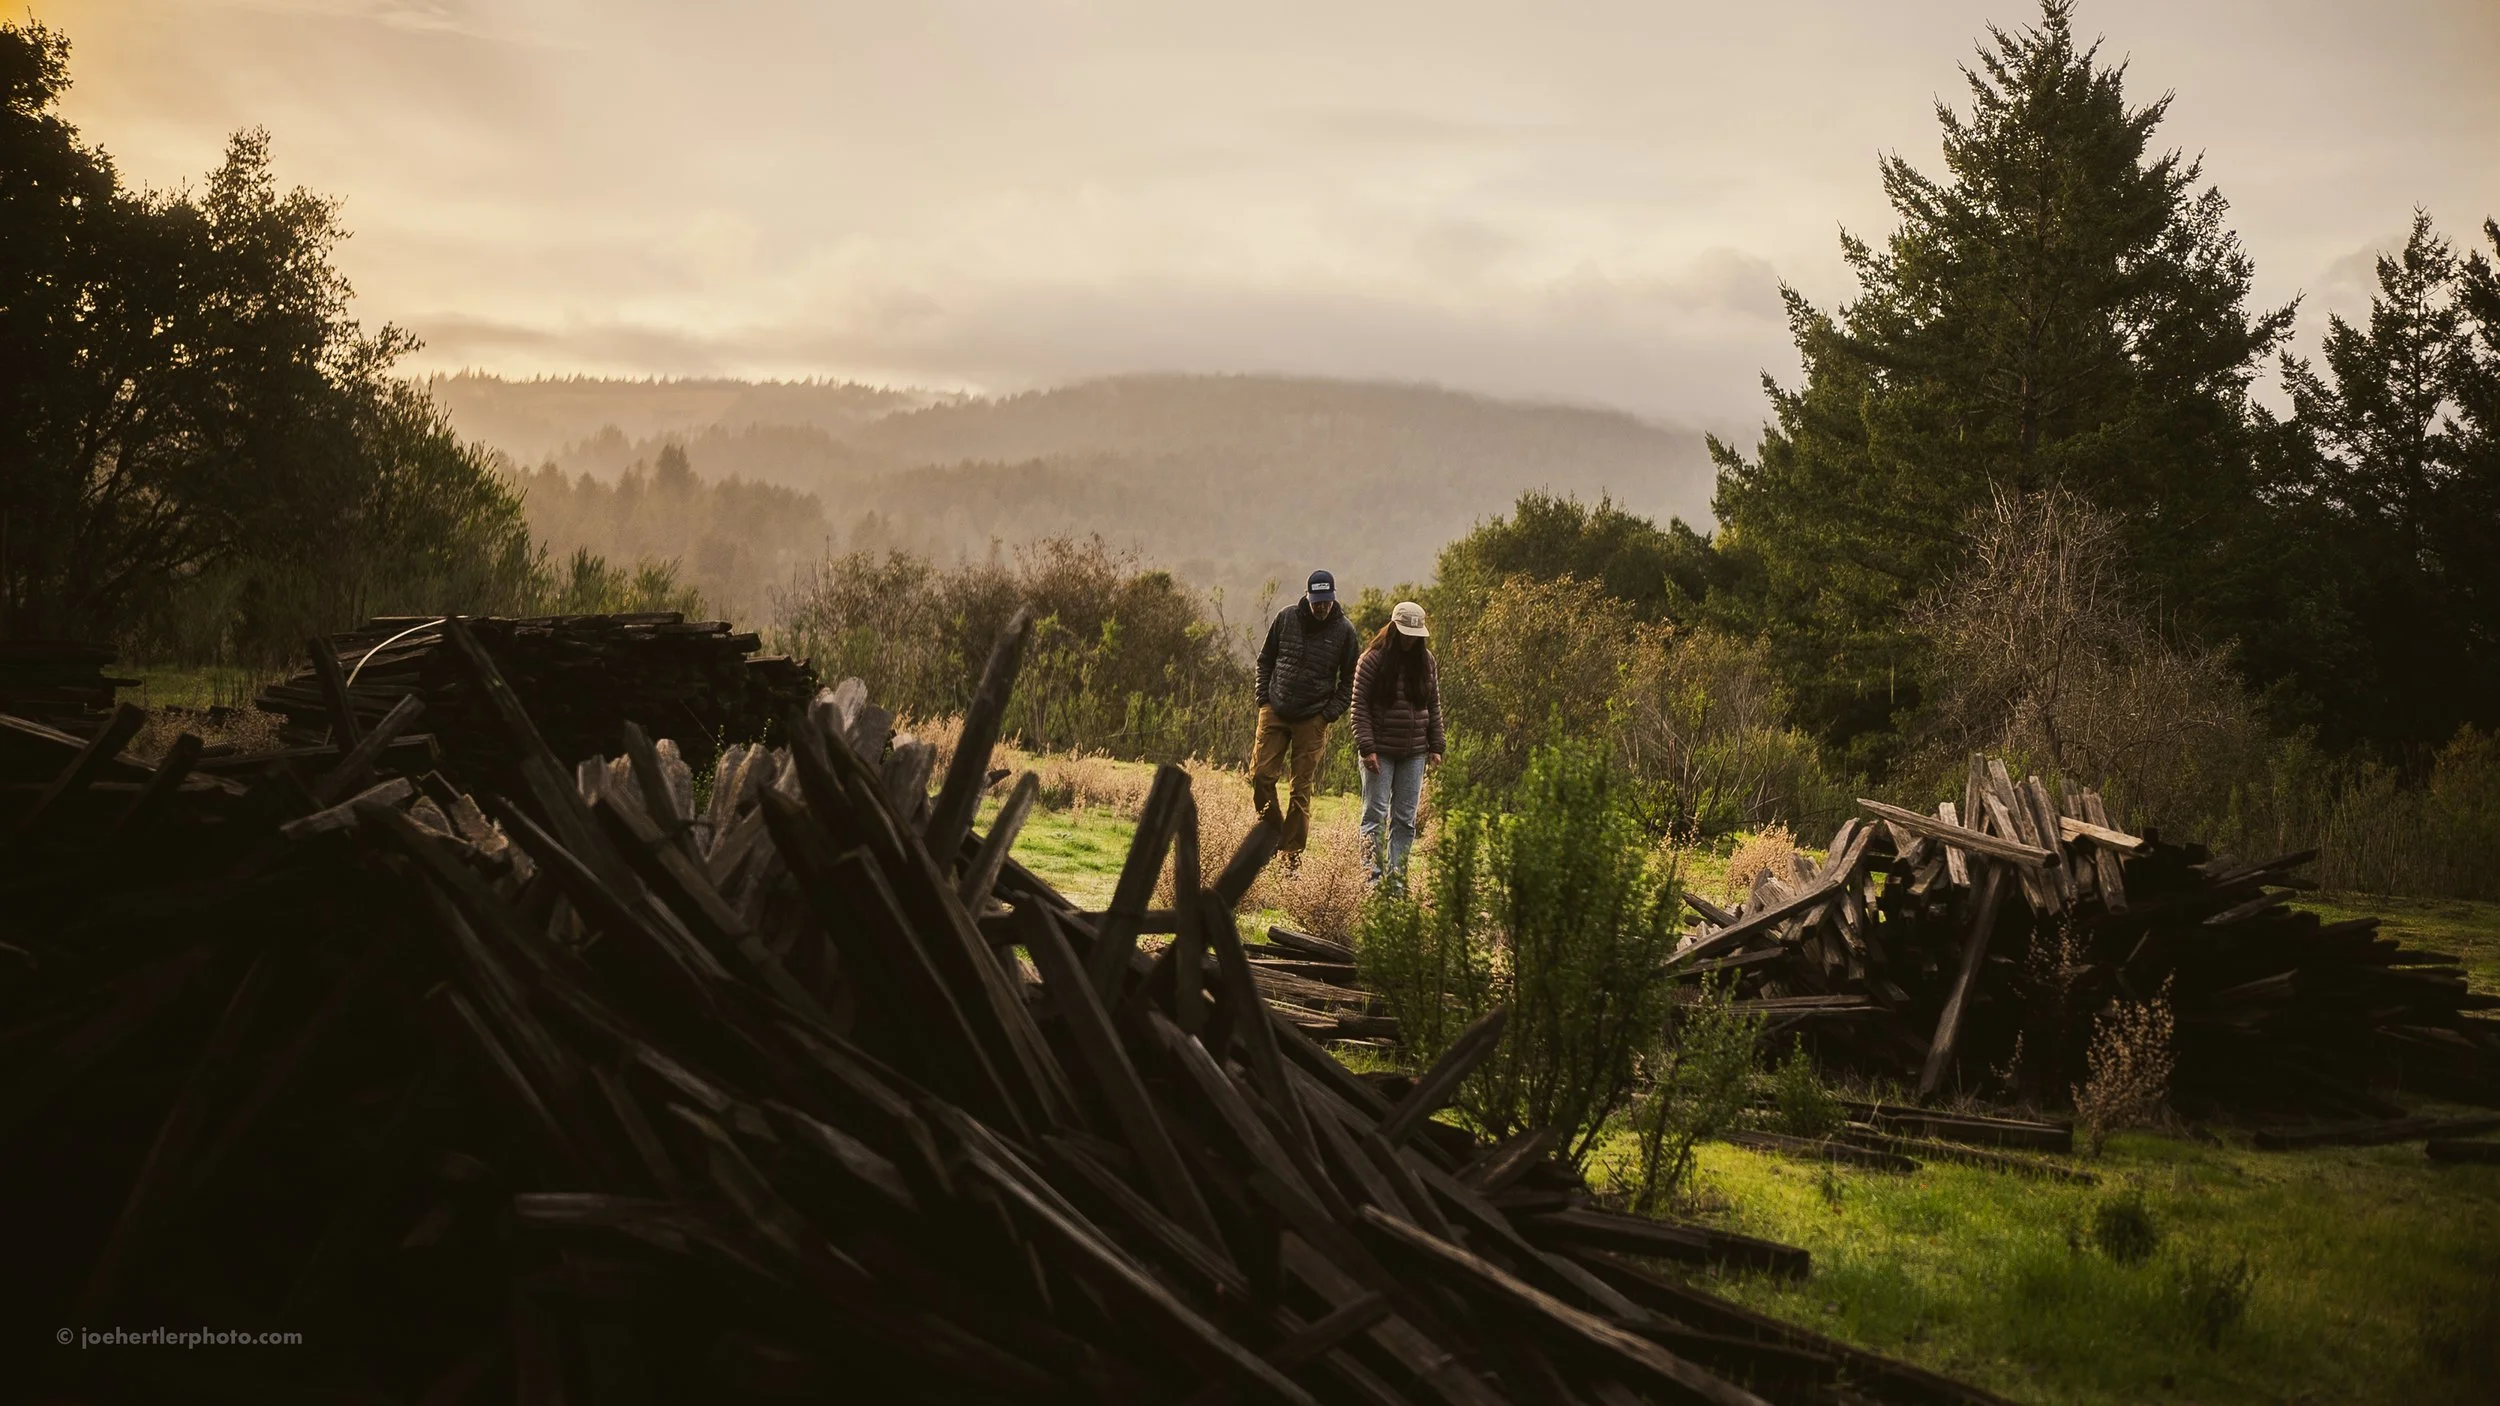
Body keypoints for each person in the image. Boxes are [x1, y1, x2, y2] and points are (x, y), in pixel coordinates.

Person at [1252, 569, 1360, 868]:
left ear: (1333, 598)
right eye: (1317, 602)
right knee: (1261, 777)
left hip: (1313, 718)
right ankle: (1274, 835)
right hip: (1275, 708)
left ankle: (1291, 858)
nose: (1321, 607)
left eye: (1326, 602)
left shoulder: (1345, 631)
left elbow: (1350, 680)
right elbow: (1265, 660)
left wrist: (1328, 715)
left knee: (1300, 791)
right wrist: (1263, 700)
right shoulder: (1285, 618)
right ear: (1308, 597)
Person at [1352, 600, 1443, 883]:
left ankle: (1397, 880)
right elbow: (1359, 707)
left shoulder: (1426, 661)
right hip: (1379, 750)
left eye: (1415, 635)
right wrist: (1368, 748)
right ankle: (1372, 878)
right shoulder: (1372, 660)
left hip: (1414, 752)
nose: (1409, 640)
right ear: (1394, 629)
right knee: (1375, 815)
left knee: (1405, 819)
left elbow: (1433, 704)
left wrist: (1436, 745)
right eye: (1405, 633)